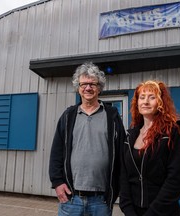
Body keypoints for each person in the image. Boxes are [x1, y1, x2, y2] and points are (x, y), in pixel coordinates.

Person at [49, 62, 125, 216]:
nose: (88, 88)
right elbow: (57, 152)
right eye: (84, 84)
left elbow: (122, 154)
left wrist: (118, 188)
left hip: (101, 200)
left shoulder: (112, 116)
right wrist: (57, 182)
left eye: (92, 84)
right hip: (71, 198)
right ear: (78, 87)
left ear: (99, 88)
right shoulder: (68, 116)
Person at [119, 80, 180, 216]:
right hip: (134, 211)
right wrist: (128, 209)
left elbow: (175, 180)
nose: (145, 102)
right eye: (142, 97)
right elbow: (124, 176)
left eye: (152, 97)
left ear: (161, 103)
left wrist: (152, 213)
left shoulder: (172, 132)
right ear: (137, 103)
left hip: (163, 212)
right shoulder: (130, 136)